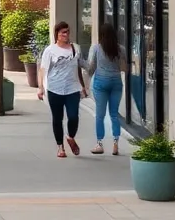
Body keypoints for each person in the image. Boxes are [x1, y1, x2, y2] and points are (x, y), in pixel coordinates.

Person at [38, 20, 88, 158]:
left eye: (67, 32)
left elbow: (78, 68)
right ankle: (60, 147)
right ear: (57, 34)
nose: (66, 35)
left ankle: (70, 137)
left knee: (73, 116)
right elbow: (42, 70)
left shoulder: (75, 48)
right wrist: (40, 87)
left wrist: (82, 86)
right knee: (57, 118)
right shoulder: (50, 50)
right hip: (55, 89)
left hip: (72, 88)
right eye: (63, 32)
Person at [87, 21, 126, 155]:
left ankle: (99, 144)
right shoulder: (121, 49)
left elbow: (91, 67)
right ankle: (115, 144)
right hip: (116, 82)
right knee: (114, 114)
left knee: (100, 115)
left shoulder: (96, 48)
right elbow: (124, 68)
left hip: (101, 83)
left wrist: (81, 64)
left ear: (101, 35)